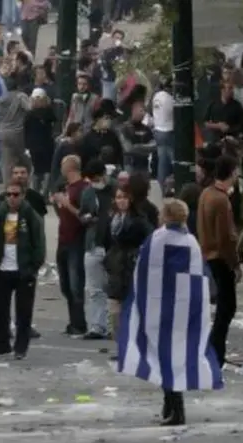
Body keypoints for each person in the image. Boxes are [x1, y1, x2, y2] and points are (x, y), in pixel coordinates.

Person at [117, 199, 223, 426]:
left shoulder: (157, 239)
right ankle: (170, 407)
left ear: (164, 216)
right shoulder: (191, 241)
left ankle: (175, 409)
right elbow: (202, 276)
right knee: (178, 357)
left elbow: (144, 273)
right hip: (187, 310)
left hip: (162, 309)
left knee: (164, 357)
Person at [0, 180, 45, 359]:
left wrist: (33, 266)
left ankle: (21, 347)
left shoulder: (30, 216)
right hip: (2, 268)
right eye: (8, 194)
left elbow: (39, 244)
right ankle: (1, 344)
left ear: (23, 195)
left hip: (23, 270)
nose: (12, 198)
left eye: (16, 194)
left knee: (23, 313)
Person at [197, 155, 240, 367]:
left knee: (223, 307)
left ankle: (214, 350)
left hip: (209, 254)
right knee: (227, 307)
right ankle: (216, 351)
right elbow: (226, 237)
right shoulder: (222, 200)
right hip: (220, 258)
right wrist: (235, 264)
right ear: (232, 172)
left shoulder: (206, 193)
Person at [104, 185, 153, 353]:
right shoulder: (113, 219)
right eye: (118, 197)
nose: (121, 201)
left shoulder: (139, 220)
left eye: (124, 197)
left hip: (131, 267)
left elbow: (149, 239)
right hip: (116, 269)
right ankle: (122, 347)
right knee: (114, 311)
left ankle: (132, 349)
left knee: (132, 310)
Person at [79, 159, 115, 340]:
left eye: (98, 178)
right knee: (94, 289)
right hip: (94, 244)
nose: (96, 181)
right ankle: (97, 326)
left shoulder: (116, 191)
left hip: (113, 246)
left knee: (114, 288)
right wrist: (87, 218)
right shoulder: (87, 193)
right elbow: (82, 214)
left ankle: (112, 326)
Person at [54, 155, 89, 337]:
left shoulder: (83, 189)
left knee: (76, 284)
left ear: (69, 167)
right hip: (63, 240)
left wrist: (67, 204)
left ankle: (79, 322)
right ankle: (72, 321)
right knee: (65, 284)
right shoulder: (66, 188)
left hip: (77, 241)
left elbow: (84, 217)